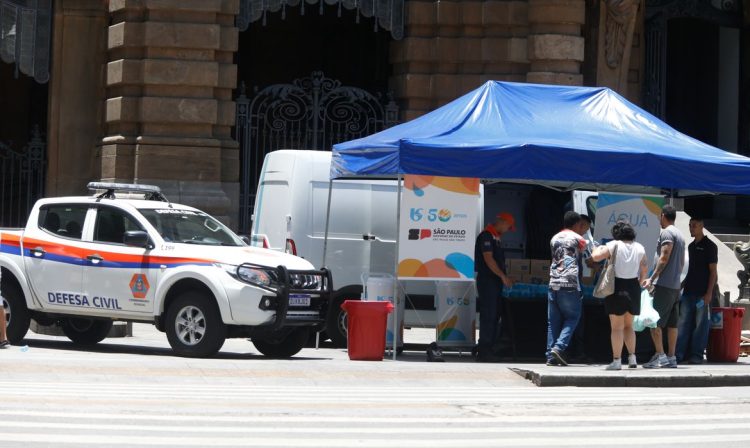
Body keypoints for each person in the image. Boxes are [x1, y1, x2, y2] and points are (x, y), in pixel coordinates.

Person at [591, 221, 648, 370]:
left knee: (617, 328)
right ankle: (632, 358)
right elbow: (644, 268)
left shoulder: (614, 245)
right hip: (634, 288)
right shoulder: (640, 247)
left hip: (617, 287)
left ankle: (616, 361)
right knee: (629, 326)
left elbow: (596, 257)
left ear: (617, 234)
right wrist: (640, 282)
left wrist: (597, 247)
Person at [641, 204, 685, 369]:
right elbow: (680, 263)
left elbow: (664, 257)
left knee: (655, 322)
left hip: (665, 285)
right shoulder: (680, 234)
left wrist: (651, 278)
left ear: (663, 216)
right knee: (672, 325)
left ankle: (660, 356)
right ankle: (671, 357)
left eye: (659, 216)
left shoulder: (667, 233)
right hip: (674, 286)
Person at [546, 211, 587, 366]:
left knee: (553, 322)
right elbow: (590, 256)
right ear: (577, 224)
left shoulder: (554, 238)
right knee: (573, 317)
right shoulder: (579, 239)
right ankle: (559, 347)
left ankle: (550, 356)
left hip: (553, 282)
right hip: (570, 283)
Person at [474, 212, 515, 362]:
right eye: (508, 227)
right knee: (489, 315)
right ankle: (484, 350)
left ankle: (488, 348)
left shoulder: (495, 237)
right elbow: (489, 259)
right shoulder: (486, 236)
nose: (507, 230)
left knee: (495, 314)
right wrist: (502, 276)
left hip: (495, 281)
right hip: (488, 281)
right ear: (502, 222)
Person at [676, 217, 717, 364]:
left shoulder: (710, 246)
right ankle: (679, 354)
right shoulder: (691, 246)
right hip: (688, 291)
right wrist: (680, 286)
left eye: (694, 226)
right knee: (683, 323)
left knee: (701, 325)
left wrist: (709, 293)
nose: (691, 228)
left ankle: (697, 355)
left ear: (701, 226)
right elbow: (691, 271)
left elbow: (713, 272)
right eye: (690, 225)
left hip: (702, 293)